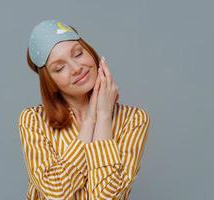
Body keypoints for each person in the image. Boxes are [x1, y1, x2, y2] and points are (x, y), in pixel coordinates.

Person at [17, 19, 151, 200]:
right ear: (50, 83)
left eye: (78, 54)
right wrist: (90, 121)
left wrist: (103, 116)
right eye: (60, 68)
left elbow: (106, 197)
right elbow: (56, 191)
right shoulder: (34, 120)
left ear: (91, 53)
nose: (76, 68)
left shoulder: (133, 119)